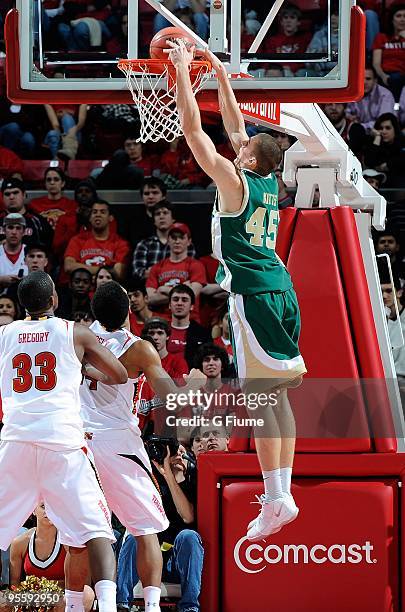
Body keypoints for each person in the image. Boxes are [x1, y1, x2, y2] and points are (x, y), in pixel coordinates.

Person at [166, 40, 307, 542]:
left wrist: (183, 72)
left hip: (253, 294)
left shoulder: (233, 180)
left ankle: (276, 496)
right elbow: (232, 123)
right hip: (281, 291)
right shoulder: (266, 181)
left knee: (261, 398)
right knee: (279, 397)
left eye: (241, 147)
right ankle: (280, 493)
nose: (235, 145)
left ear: (247, 158)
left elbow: (194, 132)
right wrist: (220, 75)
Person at [0, 270, 129, 612]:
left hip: (15, 441)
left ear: (19, 304)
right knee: (98, 531)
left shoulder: (4, 334)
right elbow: (119, 375)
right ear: (54, 299)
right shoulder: (76, 332)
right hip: (62, 443)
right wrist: (83, 368)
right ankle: (108, 606)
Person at [80, 281, 206, 612]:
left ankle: (86, 605)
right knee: (145, 528)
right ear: (130, 311)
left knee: (83, 535)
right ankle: (150, 606)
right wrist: (193, 384)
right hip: (119, 441)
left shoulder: (76, 339)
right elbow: (172, 398)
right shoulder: (139, 349)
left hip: (80, 442)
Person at [117, 442, 204, 612]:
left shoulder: (195, 478)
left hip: (177, 562)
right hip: (149, 558)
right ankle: (121, 604)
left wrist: (169, 476)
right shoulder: (151, 481)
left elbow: (187, 516)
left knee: (189, 536)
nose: (175, 456)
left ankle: (190, 608)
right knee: (136, 538)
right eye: (170, 452)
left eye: (179, 451)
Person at [9, 503, 94, 611]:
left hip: (62, 600)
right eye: (43, 506)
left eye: (53, 506)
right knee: (3, 599)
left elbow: (83, 584)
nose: (48, 511)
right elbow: (14, 586)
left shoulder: (72, 542)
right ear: (33, 511)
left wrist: (45, 587)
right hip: (31, 599)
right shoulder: (19, 543)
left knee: (87, 593)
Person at [146, 223, 206, 318]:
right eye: (174, 238)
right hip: (162, 321)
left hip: (190, 319)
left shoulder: (196, 265)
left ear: (189, 241)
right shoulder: (157, 267)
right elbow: (151, 299)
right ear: (168, 240)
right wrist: (182, 288)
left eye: (181, 237)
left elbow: (191, 295)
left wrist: (163, 289)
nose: (177, 241)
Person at [64, 200, 131, 282]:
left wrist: (87, 271)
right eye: (94, 212)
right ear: (90, 217)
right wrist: (103, 270)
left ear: (110, 218)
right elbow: (68, 266)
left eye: (102, 212)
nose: (98, 215)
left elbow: (118, 272)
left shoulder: (120, 243)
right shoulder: (77, 240)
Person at [0, 179, 53, 250]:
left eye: (15, 192)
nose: (11, 197)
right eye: (7, 194)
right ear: (2, 198)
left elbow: (48, 250)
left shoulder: (38, 222)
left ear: (24, 195)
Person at [167, 285, 211, 369]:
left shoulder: (203, 333)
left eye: (184, 300)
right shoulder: (159, 331)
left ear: (192, 306)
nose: (179, 303)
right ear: (169, 305)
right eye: (175, 299)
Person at [372, 4, 405, 101]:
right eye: (398, 16)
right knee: (394, 79)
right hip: (387, 75)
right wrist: (383, 76)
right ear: (392, 19)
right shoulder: (382, 37)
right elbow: (376, 63)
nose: (402, 19)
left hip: (403, 75)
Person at [0, 213, 28, 295]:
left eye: (18, 228)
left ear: (23, 232)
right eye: (10, 227)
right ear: (4, 230)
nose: (14, 232)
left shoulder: (31, 253)